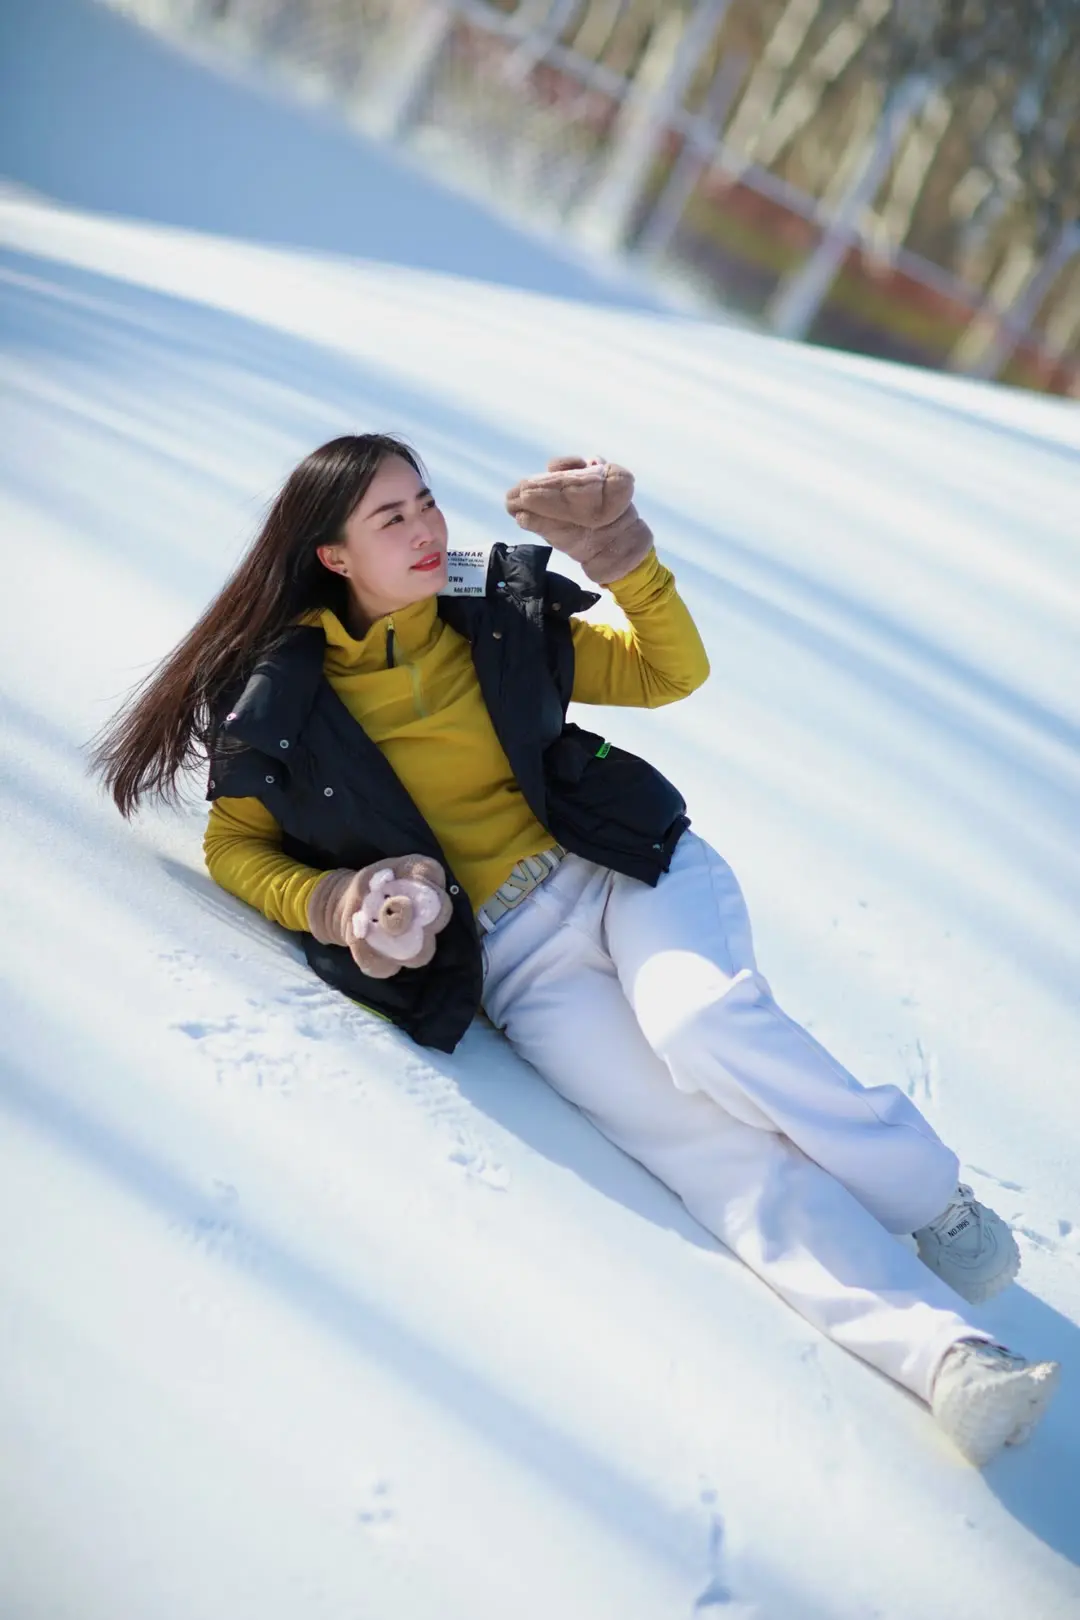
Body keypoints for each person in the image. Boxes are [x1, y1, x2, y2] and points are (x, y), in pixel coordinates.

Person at [91, 432, 1059, 1468]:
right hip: (517, 963)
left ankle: (927, 1196)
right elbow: (234, 843)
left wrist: (622, 555)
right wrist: (337, 900)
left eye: (426, 502)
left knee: (702, 1023)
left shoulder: (490, 606)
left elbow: (668, 671)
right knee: (714, 1159)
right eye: (393, 519)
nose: (428, 530)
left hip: (621, 869)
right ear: (332, 558)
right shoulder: (286, 692)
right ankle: (953, 1360)